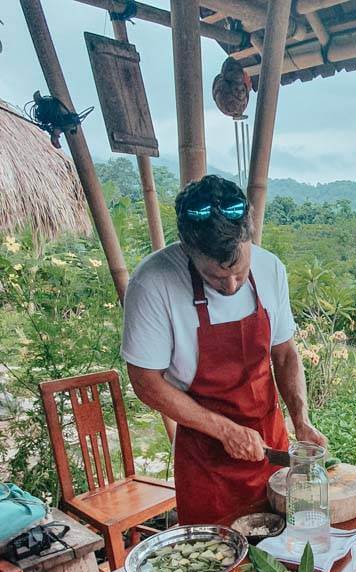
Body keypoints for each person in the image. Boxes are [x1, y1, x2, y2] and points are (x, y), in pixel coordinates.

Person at [121, 175, 326, 524]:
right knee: (216, 566)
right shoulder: (154, 282)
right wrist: (225, 431)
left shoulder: (270, 268)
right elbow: (145, 382)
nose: (230, 285)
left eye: (240, 272)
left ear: (248, 235)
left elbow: (285, 353)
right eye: (215, 277)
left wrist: (301, 420)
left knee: (284, 556)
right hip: (206, 461)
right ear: (187, 248)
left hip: (270, 445)